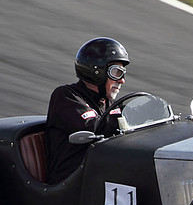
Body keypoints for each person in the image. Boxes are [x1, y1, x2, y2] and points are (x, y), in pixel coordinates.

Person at [44, 37, 129, 184]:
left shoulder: (107, 102)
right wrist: (124, 122)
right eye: (116, 72)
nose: (122, 80)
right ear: (97, 72)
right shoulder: (66, 96)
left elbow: (126, 121)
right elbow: (95, 128)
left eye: (123, 73)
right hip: (71, 182)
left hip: (98, 176)